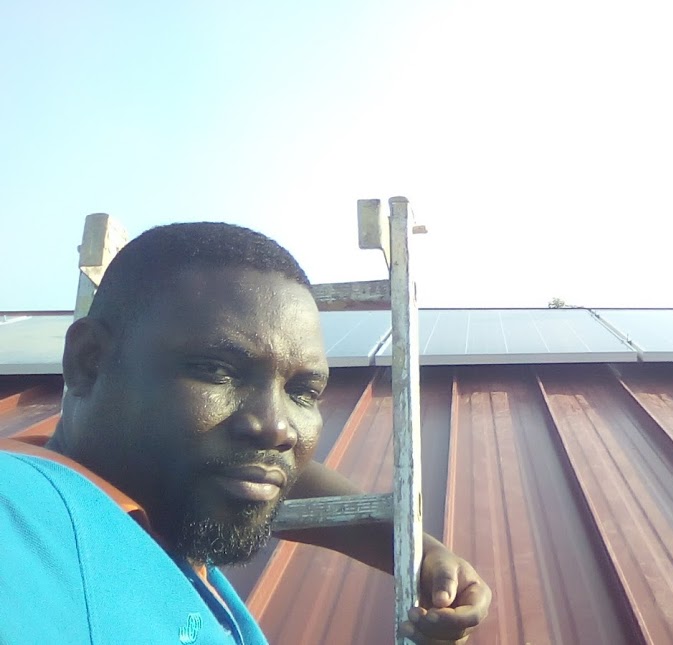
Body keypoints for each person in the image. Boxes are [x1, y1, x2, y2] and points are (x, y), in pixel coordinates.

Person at [0, 222, 490, 644]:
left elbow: (254, 464)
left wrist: (419, 552)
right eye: (216, 371)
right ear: (89, 361)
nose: (276, 427)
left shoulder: (163, 546)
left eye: (303, 391)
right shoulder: (19, 511)